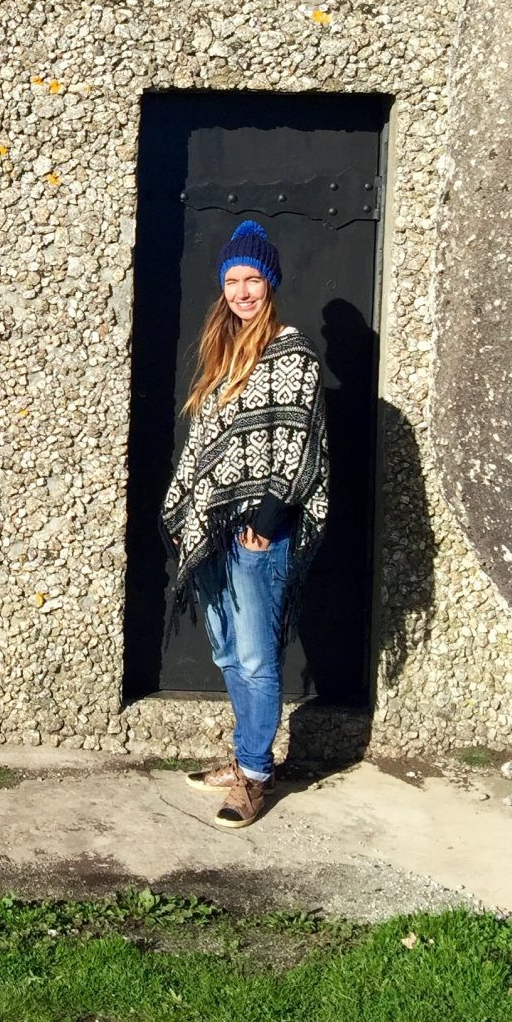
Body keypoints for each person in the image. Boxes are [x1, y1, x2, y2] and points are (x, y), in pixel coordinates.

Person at [159, 219, 330, 829]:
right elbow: (206, 442)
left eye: (251, 278)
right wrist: (188, 513)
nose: (241, 291)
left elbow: (298, 438)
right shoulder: (223, 352)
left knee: (257, 657)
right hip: (215, 523)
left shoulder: (292, 351)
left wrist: (271, 512)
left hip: (261, 528)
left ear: (270, 282)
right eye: (231, 280)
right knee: (228, 650)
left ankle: (256, 776)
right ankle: (244, 755)